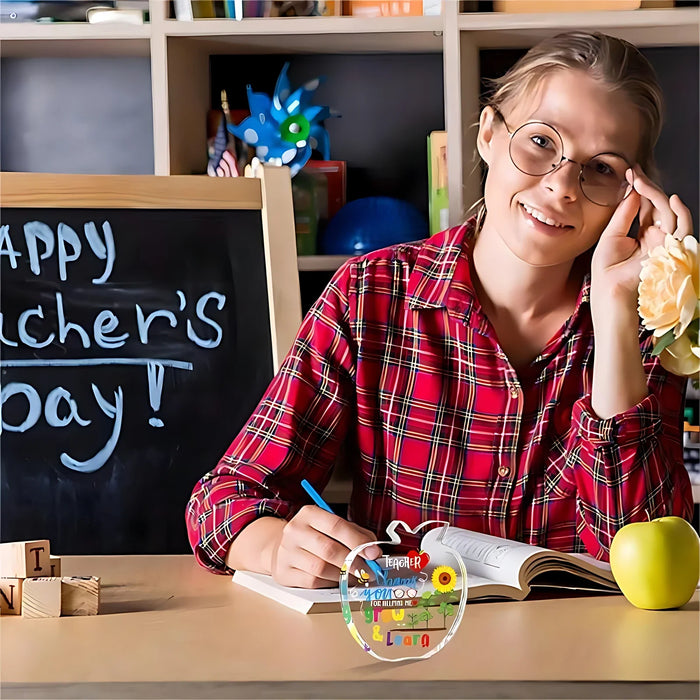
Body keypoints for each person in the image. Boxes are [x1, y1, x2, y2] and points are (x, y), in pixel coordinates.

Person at [186, 30, 694, 588]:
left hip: (581, 663)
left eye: (600, 168)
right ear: (488, 136)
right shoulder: (372, 292)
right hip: (404, 648)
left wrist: (618, 309)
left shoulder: (645, 327)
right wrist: (275, 544)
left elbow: (650, 565)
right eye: (542, 143)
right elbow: (222, 501)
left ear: (631, 196)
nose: (562, 186)